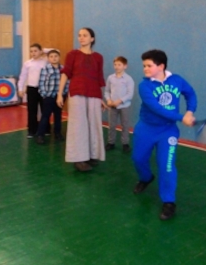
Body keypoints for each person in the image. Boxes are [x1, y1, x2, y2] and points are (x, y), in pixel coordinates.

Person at [131, 49, 197, 220]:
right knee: (138, 159)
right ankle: (146, 178)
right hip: (146, 129)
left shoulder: (177, 80)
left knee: (166, 165)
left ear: (161, 66)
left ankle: (169, 201)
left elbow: (190, 94)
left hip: (168, 131)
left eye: (149, 65)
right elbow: (157, 109)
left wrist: (190, 111)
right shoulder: (144, 85)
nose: (145, 69)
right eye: (144, 66)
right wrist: (182, 117)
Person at [57, 28, 105, 172]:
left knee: (93, 124)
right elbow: (65, 73)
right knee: (78, 125)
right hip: (77, 91)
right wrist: (60, 93)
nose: (81, 38)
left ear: (92, 39)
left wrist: (102, 98)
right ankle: (78, 159)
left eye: (85, 35)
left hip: (94, 93)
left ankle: (91, 154)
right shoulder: (72, 54)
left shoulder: (98, 57)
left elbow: (99, 78)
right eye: (79, 35)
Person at [36, 49, 69, 144]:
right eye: (51, 56)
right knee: (45, 116)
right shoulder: (45, 69)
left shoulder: (63, 69)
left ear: (59, 57)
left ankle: (57, 133)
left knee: (58, 115)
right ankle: (40, 135)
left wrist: (64, 93)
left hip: (60, 97)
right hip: (49, 97)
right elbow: (41, 83)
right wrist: (44, 95)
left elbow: (67, 82)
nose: (54, 58)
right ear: (48, 58)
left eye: (56, 56)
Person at [104, 56, 134, 153]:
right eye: (115, 65)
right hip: (112, 106)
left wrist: (120, 101)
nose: (117, 67)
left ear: (125, 66)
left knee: (125, 125)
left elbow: (130, 94)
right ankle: (111, 142)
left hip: (124, 106)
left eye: (119, 65)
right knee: (112, 125)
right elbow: (107, 91)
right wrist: (108, 100)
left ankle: (125, 143)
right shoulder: (110, 78)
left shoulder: (128, 79)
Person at [18, 43, 48, 139]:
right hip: (31, 89)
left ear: (40, 51)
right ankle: (32, 130)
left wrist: (43, 50)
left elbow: (56, 51)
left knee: (45, 110)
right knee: (32, 110)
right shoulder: (27, 63)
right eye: (31, 51)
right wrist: (20, 88)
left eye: (35, 51)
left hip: (43, 88)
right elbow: (23, 76)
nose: (33, 53)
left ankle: (46, 129)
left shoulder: (45, 61)